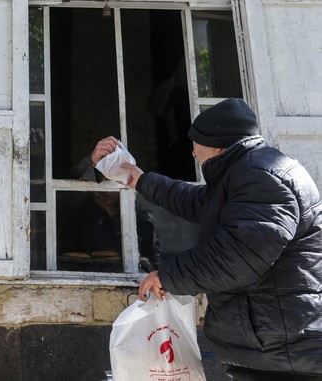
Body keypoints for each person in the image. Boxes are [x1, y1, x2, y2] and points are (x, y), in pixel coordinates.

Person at [95, 98, 322, 380]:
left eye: (196, 144)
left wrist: (167, 276)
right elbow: (195, 200)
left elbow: (237, 257)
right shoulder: (250, 172)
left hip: (284, 350)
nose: (192, 153)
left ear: (217, 146)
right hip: (274, 346)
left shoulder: (262, 177)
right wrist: (136, 178)